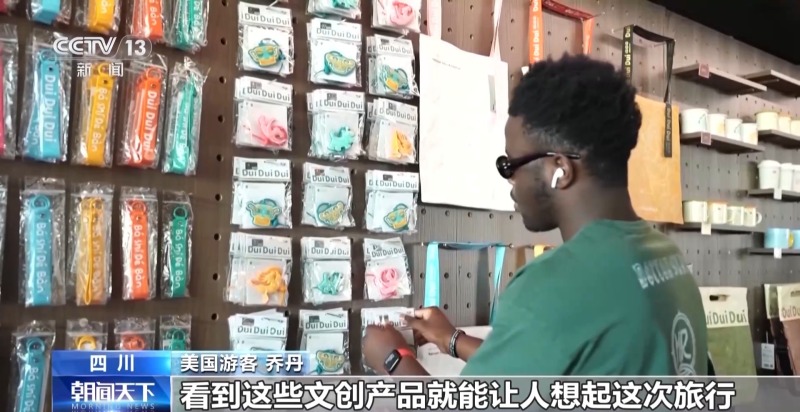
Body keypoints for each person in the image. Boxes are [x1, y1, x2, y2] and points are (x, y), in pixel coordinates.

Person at [362, 54, 708, 376]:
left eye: (510, 164)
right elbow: (554, 355)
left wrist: (393, 357)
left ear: (560, 169)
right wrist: (450, 339)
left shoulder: (555, 286)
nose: (509, 178)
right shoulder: (667, 260)